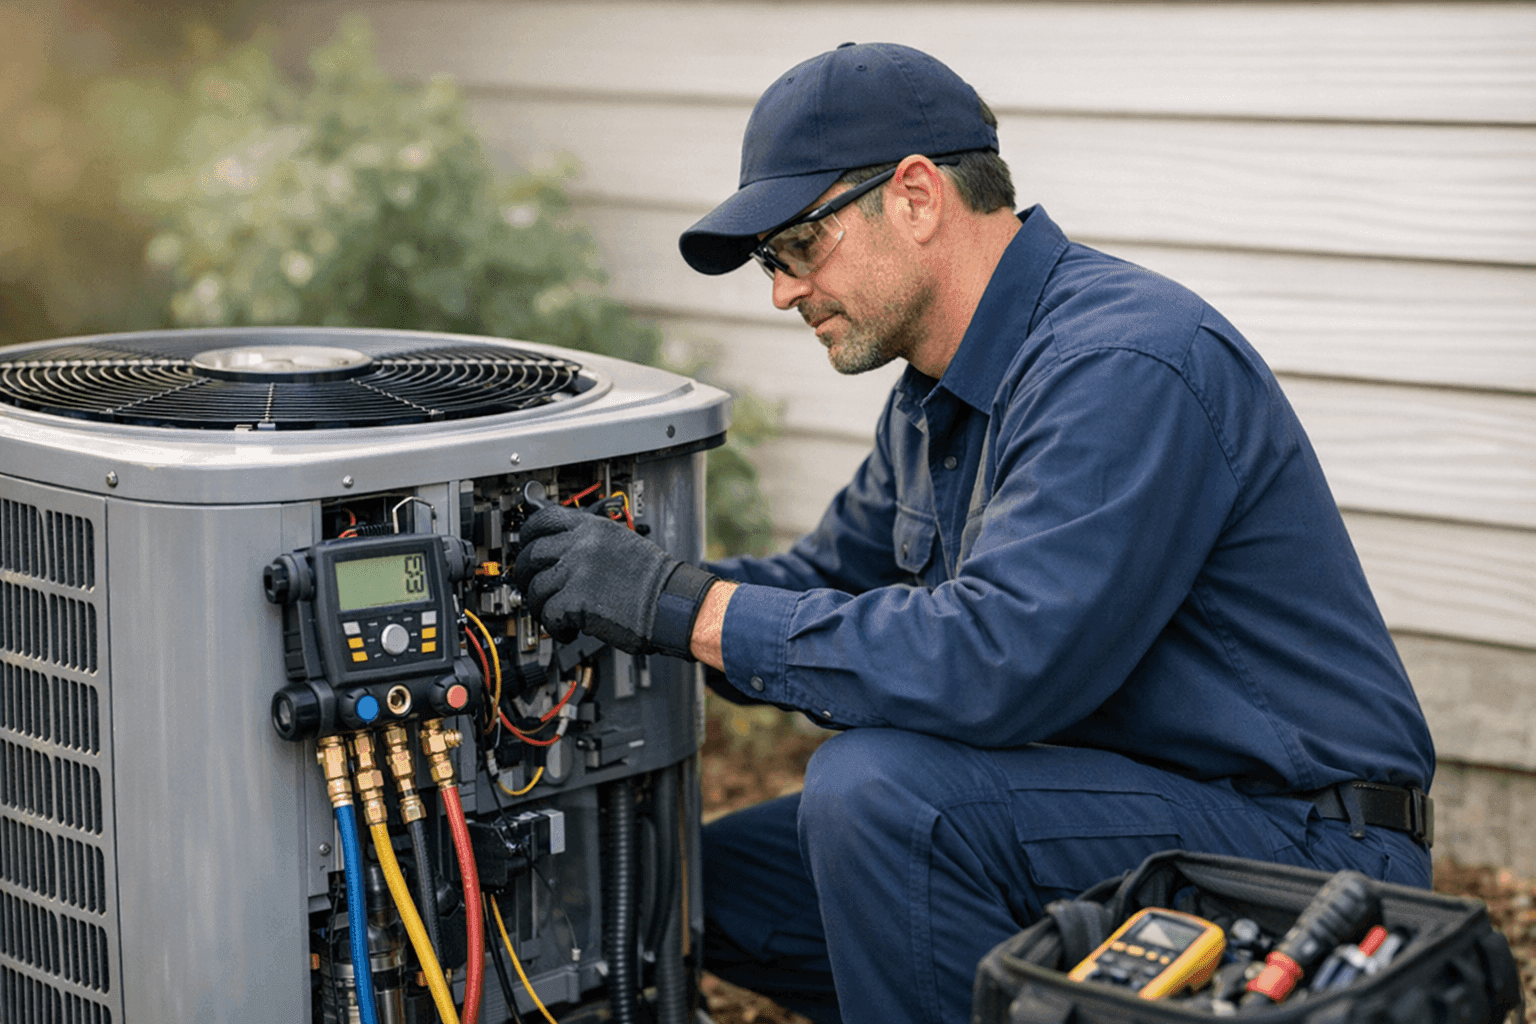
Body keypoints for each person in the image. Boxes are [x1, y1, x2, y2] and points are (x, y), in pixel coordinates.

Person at [513, 42, 1435, 1024]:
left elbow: (1000, 663)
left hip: (1301, 851)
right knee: (688, 878)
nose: (781, 291)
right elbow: (824, 580)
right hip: (1105, 812)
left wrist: (680, 608)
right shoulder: (935, 397)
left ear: (914, 198)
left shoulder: (1125, 362)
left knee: (882, 796)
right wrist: (622, 593)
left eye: (794, 248)